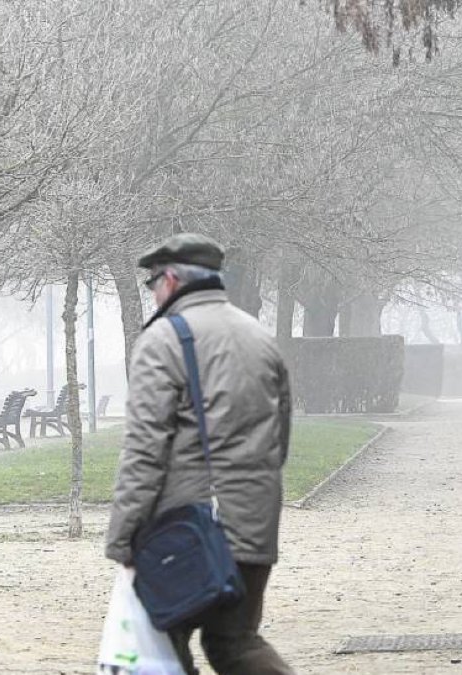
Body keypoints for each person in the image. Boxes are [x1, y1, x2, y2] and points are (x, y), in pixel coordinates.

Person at [105, 233, 295, 675]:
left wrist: (122, 536)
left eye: (153, 283)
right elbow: (280, 438)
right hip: (253, 523)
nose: (153, 293)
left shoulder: (162, 340)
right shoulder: (260, 337)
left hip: (182, 529)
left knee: (162, 647)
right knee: (235, 641)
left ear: (171, 280)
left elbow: (144, 449)